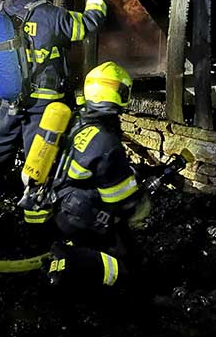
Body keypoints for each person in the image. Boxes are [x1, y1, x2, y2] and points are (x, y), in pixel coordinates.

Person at [0, 0, 118, 231]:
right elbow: (89, 24)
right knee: (40, 164)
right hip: (44, 108)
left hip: (9, 103)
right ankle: (36, 228)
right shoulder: (50, 15)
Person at [45, 61, 150, 289]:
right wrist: (141, 205)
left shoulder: (79, 120)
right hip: (82, 217)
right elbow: (121, 201)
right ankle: (71, 263)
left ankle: (74, 251)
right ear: (120, 94)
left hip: (61, 205)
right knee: (128, 265)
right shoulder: (106, 142)